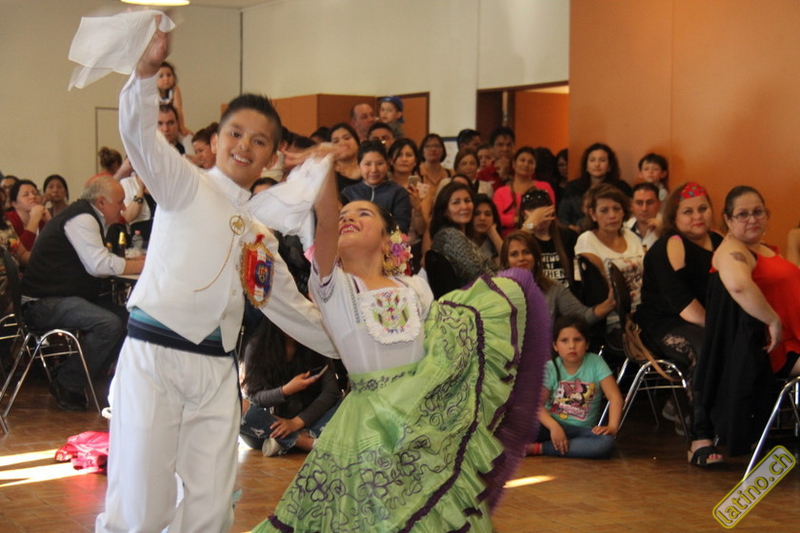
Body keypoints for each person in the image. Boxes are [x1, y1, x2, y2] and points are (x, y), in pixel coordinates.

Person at [95, 24, 336, 533]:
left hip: (217, 371)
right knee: (142, 503)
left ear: (272, 157)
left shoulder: (260, 234)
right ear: (215, 139)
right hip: (155, 358)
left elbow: (293, 309)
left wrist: (359, 346)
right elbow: (139, 136)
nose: (244, 146)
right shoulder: (184, 183)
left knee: (209, 507)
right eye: (235, 133)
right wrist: (146, 72)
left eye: (259, 141)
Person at [254, 138, 550, 533]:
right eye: (343, 215)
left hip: (421, 415)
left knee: (430, 511)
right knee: (374, 516)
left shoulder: (415, 287)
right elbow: (324, 219)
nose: (347, 218)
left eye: (362, 213)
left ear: (386, 236)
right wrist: (324, 168)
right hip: (369, 422)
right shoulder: (333, 287)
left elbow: (440, 346)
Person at [690, 186, 800, 466]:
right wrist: (772, 320)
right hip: (780, 347)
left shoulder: (763, 248)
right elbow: (738, 286)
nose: (752, 219)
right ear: (728, 219)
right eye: (742, 214)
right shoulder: (732, 250)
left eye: (758, 212)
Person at [20, 177, 143, 411]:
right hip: (41, 303)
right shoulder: (82, 218)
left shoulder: (86, 215)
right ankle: (67, 382)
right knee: (109, 324)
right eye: (119, 201)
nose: (123, 207)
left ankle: (78, 375)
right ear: (101, 202)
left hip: (61, 296)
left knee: (131, 320)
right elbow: (99, 265)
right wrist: (140, 265)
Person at [635, 183, 721, 434]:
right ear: (674, 218)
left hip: (706, 319)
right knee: (705, 346)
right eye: (688, 211)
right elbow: (682, 304)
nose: (697, 216)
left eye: (703, 209)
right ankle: (700, 428)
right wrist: (721, 329)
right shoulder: (667, 247)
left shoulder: (720, 241)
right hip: (665, 320)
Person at [239, 317, 342, 457]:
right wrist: (286, 390)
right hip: (268, 427)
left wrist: (297, 422)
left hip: (309, 421)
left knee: (348, 403)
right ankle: (303, 442)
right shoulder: (257, 346)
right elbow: (256, 397)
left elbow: (331, 392)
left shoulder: (315, 344)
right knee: (238, 406)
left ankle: (287, 441)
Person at [526, 315, 623, 458]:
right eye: (564, 341)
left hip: (581, 431)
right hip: (550, 425)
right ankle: (561, 444)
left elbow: (615, 398)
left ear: (587, 344)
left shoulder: (596, 363)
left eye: (577, 340)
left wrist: (612, 427)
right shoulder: (550, 367)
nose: (572, 346)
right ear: (555, 346)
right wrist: (554, 426)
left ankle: (540, 448)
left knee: (605, 443)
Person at [502, 231, 613, 326]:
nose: (521, 258)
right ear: (506, 261)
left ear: (536, 257)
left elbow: (581, 316)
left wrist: (609, 304)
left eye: (526, 252)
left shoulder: (552, 287)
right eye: (514, 254)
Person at [575, 184, 644, 331]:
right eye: (604, 210)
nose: (612, 215)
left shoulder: (631, 236)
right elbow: (598, 289)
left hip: (644, 311)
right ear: (593, 214)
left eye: (616, 209)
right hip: (613, 319)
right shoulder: (587, 240)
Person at [429, 182, 497, 284]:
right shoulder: (450, 235)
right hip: (472, 292)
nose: (464, 206)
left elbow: (492, 267)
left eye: (467, 201)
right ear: (445, 211)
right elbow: (477, 273)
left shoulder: (463, 236)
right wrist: (502, 282)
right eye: (456, 203)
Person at [342, 141, 412, 234]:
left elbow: (401, 230)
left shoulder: (398, 193)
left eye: (379, 163)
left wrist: (383, 239)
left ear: (387, 165)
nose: (374, 169)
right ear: (359, 166)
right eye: (368, 164)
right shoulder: (348, 193)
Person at [518, 186, 578, 291]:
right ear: (525, 215)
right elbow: (511, 254)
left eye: (545, 214)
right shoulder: (524, 240)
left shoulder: (569, 236)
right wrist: (530, 226)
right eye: (537, 216)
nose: (541, 220)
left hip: (567, 296)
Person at [559, 143, 632, 229]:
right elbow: (563, 216)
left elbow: (628, 214)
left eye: (602, 160)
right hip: (577, 233)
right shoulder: (573, 187)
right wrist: (570, 227)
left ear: (609, 166)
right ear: (586, 166)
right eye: (592, 160)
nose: (597, 164)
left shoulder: (621, 187)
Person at [492, 147, 556, 237]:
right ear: (514, 164)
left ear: (535, 166)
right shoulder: (500, 192)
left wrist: (530, 223)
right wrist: (518, 220)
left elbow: (549, 212)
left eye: (531, 162)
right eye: (522, 160)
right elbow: (497, 218)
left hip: (539, 234)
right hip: (509, 237)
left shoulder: (544, 187)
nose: (526, 164)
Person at [7, 179, 50, 251]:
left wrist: (50, 222)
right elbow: (19, 252)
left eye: (36, 193)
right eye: (26, 195)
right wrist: (34, 220)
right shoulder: (7, 221)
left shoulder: (43, 218)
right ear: (14, 203)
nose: (33, 196)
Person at [156, 61, 191, 137]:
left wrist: (182, 127)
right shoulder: (154, 93)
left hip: (172, 123)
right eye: (161, 76)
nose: (166, 79)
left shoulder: (174, 90)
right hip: (157, 125)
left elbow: (178, 110)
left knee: (184, 138)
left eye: (169, 75)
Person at [626, 182, 662, 251]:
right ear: (631, 205)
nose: (644, 209)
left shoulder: (668, 230)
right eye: (639, 203)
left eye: (650, 203)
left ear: (659, 204)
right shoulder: (624, 229)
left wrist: (664, 234)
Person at [477, 127, 515, 191]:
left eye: (508, 145)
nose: (505, 149)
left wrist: (505, 177)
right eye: (500, 145)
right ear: (491, 148)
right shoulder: (482, 175)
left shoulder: (520, 172)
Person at [471, 194, 502, 264]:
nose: (482, 218)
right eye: (476, 213)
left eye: (487, 214)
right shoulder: (462, 240)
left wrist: (493, 233)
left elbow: (508, 260)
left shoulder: (491, 242)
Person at [330, 122, 361, 191]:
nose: (342, 143)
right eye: (336, 141)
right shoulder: (328, 173)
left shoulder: (369, 167)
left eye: (347, 138)